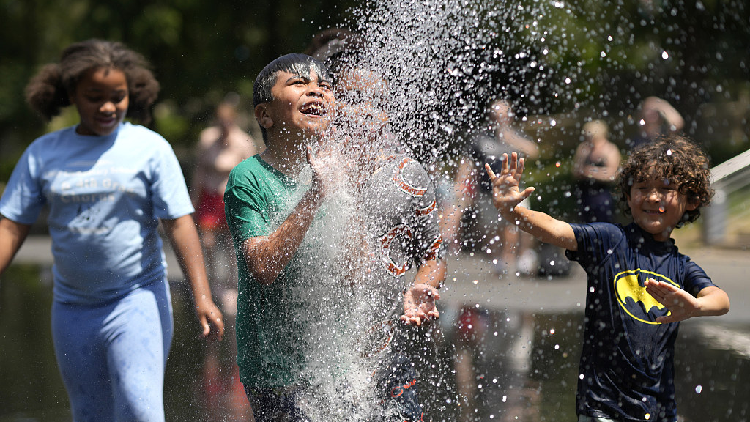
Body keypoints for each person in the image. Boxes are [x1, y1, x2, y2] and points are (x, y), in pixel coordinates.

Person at [0, 39, 224, 422]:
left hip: (135, 300)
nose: (107, 107)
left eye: (117, 97)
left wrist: (202, 295)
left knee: (139, 409)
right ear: (72, 95)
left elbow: (179, 223)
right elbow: (11, 226)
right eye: (94, 96)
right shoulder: (43, 153)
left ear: (130, 94)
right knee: (91, 415)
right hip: (72, 309)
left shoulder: (149, 148)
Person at [485, 135, 730, 422]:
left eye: (665, 189)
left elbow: (720, 299)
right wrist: (513, 212)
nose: (652, 197)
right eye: (642, 188)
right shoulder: (610, 240)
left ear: (690, 200)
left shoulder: (681, 266)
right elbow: (556, 229)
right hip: (601, 406)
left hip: (659, 408)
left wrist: (695, 307)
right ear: (628, 196)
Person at [224, 53, 343, 422]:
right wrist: (316, 196)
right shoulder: (249, 178)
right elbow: (262, 266)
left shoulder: (337, 171)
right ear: (265, 115)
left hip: (335, 366)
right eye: (299, 83)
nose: (317, 91)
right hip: (276, 372)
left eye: (324, 85)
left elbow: (356, 276)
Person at [331, 57, 446, 420]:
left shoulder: (408, 176)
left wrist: (421, 287)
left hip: (386, 352)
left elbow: (434, 255)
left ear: (388, 113)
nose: (364, 111)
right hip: (319, 354)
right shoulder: (310, 169)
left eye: (376, 103)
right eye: (352, 98)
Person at [191, 99, 258, 420]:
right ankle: (211, 285)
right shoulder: (207, 140)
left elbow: (250, 172)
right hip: (208, 195)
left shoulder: (244, 142)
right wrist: (192, 200)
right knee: (207, 243)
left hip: (230, 196)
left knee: (232, 246)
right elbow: (201, 169)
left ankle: (231, 283)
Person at [448, 99, 539, 274]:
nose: (499, 120)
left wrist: (511, 138)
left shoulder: (516, 136)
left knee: (514, 224)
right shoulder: (481, 138)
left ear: (510, 117)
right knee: (490, 226)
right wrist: (460, 183)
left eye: (503, 116)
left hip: (513, 189)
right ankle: (498, 259)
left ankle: (510, 259)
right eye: (496, 116)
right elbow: (468, 162)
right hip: (487, 190)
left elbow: (534, 151)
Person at [572, 120, 621, 223]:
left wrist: (591, 172)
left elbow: (613, 174)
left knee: (604, 223)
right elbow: (575, 171)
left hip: (603, 194)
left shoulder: (610, 150)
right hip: (585, 194)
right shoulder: (583, 149)